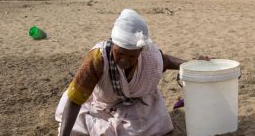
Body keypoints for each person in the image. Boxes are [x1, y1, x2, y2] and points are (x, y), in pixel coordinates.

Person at [55, 9, 193, 136]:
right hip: (101, 106)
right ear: (113, 44)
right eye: (120, 53)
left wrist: (191, 65)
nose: (125, 60)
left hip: (135, 105)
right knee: (78, 126)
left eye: (132, 56)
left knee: (156, 124)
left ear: (140, 51)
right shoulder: (98, 58)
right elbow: (75, 100)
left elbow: (166, 61)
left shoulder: (149, 56)